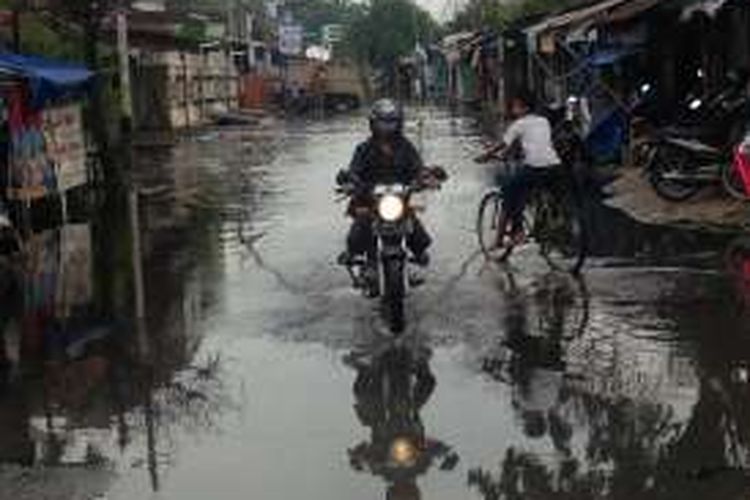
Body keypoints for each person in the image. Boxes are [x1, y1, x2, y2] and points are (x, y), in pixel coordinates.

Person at [337, 99, 433, 266]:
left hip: (399, 198)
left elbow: (417, 167)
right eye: (382, 123)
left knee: (414, 227)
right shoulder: (364, 148)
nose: (387, 128)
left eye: (391, 123)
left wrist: (427, 177)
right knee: (361, 224)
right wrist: (349, 180)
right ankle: (354, 253)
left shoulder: (406, 147)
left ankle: (418, 253)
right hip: (369, 198)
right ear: (373, 124)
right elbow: (354, 170)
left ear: (399, 123)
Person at [476, 92, 563, 245]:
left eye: (516, 106)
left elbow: (503, 144)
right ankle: (551, 217)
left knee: (509, 191)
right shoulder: (544, 121)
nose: (513, 109)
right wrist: (510, 153)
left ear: (524, 108)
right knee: (537, 189)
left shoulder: (519, 124)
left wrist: (486, 155)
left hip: (535, 166)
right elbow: (531, 143)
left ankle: (518, 231)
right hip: (555, 165)